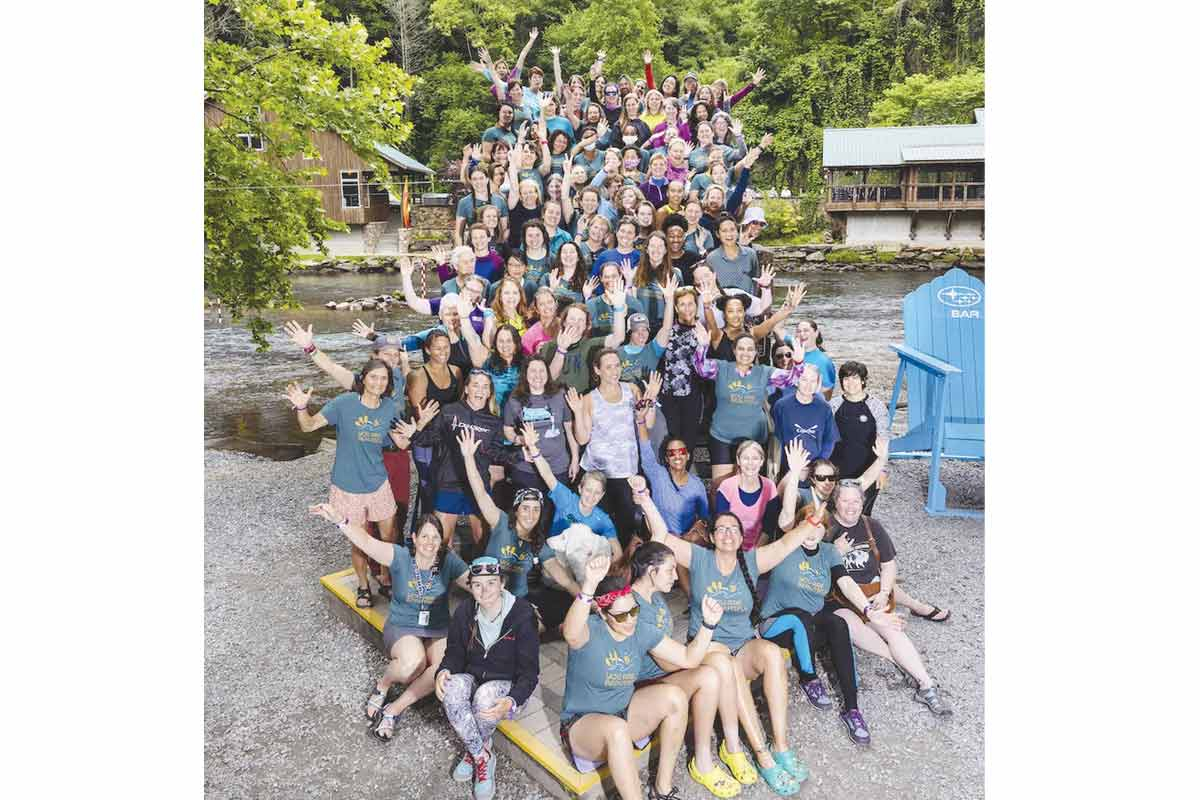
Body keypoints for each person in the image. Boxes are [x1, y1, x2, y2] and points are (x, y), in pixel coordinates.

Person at [646, 441, 831, 797]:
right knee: (727, 667)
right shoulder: (699, 559)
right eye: (722, 529)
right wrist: (643, 498)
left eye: (734, 529)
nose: (729, 533)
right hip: (710, 649)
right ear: (713, 537)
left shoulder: (751, 560)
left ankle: (780, 746)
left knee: (774, 656)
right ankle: (760, 756)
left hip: (742, 646)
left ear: (739, 537)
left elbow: (788, 543)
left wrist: (808, 507)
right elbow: (660, 535)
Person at [559, 550, 727, 800]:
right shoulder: (588, 632)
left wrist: (708, 624)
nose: (630, 620)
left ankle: (662, 789)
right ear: (603, 615)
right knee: (615, 730)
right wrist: (590, 584)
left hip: (624, 714)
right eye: (621, 615)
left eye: (634, 611)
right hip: (584, 727)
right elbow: (571, 632)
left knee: (675, 697)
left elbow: (688, 659)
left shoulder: (639, 629)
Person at [309, 505, 469, 740]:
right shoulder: (401, 556)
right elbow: (366, 542)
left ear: (442, 541)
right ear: (414, 538)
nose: (430, 542)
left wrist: (503, 596)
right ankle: (383, 684)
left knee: (445, 668)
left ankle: (394, 709)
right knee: (412, 664)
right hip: (404, 624)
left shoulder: (449, 561)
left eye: (435, 537)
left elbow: (478, 583)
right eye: (424, 535)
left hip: (437, 627)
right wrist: (340, 520)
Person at [756, 468, 891, 746]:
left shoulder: (829, 552)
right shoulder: (786, 547)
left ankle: (852, 709)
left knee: (837, 623)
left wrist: (867, 609)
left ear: (824, 530)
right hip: (776, 625)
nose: (811, 529)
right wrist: (794, 474)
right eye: (805, 523)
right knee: (801, 617)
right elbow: (785, 514)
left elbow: (845, 583)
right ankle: (809, 678)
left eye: (817, 525)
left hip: (808, 630)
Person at [283, 322, 413, 569]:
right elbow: (331, 367)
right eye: (387, 354)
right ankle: (371, 573)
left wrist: (414, 431)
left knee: (395, 516)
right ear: (373, 359)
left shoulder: (397, 376)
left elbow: (397, 350)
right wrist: (310, 347)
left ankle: (389, 569)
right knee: (363, 528)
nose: (392, 358)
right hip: (369, 454)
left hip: (392, 455)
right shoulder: (357, 387)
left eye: (396, 355)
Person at [627, 526, 742, 798]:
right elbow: (683, 660)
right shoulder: (635, 610)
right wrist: (709, 626)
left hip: (660, 673)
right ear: (651, 572)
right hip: (639, 689)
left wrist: (710, 650)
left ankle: (711, 756)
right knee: (707, 674)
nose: (676, 576)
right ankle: (675, 780)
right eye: (669, 571)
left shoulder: (653, 598)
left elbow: (672, 659)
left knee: (718, 665)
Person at [824, 480, 954, 715]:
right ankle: (899, 664)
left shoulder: (871, 526)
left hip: (872, 593)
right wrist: (833, 552)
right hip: (839, 599)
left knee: (893, 628)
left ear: (863, 502)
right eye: (845, 500)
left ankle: (926, 684)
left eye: (856, 500)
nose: (851, 506)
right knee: (849, 626)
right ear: (836, 502)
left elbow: (888, 564)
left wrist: (884, 593)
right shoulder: (826, 527)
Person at [285, 360, 400, 608]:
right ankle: (363, 585)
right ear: (363, 379)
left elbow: (399, 439)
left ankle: (386, 578)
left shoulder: (389, 407)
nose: (378, 383)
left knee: (389, 535)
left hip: (378, 481)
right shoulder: (344, 404)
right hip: (347, 486)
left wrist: (412, 433)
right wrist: (301, 407)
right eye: (374, 377)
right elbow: (309, 426)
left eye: (384, 379)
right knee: (358, 538)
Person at [435, 555, 540, 800]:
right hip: (475, 678)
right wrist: (443, 670)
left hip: (506, 688)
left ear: (502, 583)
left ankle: (473, 751)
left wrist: (512, 700)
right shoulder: (464, 612)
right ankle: (482, 755)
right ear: (470, 587)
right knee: (450, 688)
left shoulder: (523, 615)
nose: (485, 590)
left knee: (483, 697)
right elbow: (454, 653)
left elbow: (529, 673)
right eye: (478, 584)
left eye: (491, 583)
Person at [394, 370, 508, 554]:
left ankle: (481, 575)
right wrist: (415, 433)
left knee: (483, 537)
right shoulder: (449, 411)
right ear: (466, 388)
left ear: (490, 393)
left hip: (477, 486)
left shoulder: (494, 422)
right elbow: (429, 439)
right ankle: (441, 576)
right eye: (475, 385)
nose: (480, 390)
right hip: (449, 483)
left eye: (485, 386)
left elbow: (498, 454)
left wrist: (523, 454)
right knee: (442, 540)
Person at [692, 322, 805, 491]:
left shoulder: (764, 372)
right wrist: (702, 346)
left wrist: (799, 361)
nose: (745, 353)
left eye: (750, 349)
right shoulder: (721, 367)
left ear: (755, 352)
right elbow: (700, 368)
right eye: (741, 349)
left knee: (748, 485)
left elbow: (791, 380)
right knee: (719, 487)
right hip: (722, 436)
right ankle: (720, 517)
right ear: (734, 350)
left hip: (753, 438)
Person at [572, 349, 653, 549]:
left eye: (617, 365)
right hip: (598, 473)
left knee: (626, 527)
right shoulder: (590, 399)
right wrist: (577, 412)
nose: (614, 371)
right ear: (597, 370)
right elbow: (582, 438)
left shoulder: (632, 390)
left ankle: (623, 570)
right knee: (597, 528)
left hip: (626, 471)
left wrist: (650, 401)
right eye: (608, 367)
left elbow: (648, 424)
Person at [503, 356, 580, 496]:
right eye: (533, 371)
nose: (537, 375)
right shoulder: (514, 399)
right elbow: (507, 430)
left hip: (558, 468)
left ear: (548, 374)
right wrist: (521, 440)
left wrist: (575, 459)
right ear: (525, 374)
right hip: (527, 470)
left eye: (542, 371)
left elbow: (569, 429)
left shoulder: (560, 396)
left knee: (556, 514)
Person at [829, 361, 891, 515]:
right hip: (838, 469)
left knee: (862, 513)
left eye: (855, 378)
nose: (850, 383)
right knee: (836, 512)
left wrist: (881, 469)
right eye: (846, 379)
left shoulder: (876, 406)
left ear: (863, 381)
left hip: (867, 470)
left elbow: (883, 439)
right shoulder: (834, 405)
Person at [771, 364, 839, 501]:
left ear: (818, 383)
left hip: (813, 471)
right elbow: (776, 439)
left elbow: (829, 441)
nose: (808, 385)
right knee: (785, 502)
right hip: (787, 467)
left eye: (813, 381)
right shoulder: (782, 406)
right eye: (804, 379)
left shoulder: (824, 408)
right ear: (796, 380)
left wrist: (814, 467)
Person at [540, 298, 628, 395]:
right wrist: (561, 350)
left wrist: (618, 308)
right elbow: (548, 379)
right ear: (564, 322)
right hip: (557, 403)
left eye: (581, 320)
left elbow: (618, 338)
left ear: (587, 325)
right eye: (572, 319)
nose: (576, 323)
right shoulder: (549, 347)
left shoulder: (591, 345)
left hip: (585, 402)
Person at [713, 441, 777, 552]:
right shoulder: (726, 487)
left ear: (762, 461)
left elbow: (768, 528)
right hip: (730, 545)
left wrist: (753, 553)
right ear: (738, 461)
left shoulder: (770, 486)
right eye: (745, 458)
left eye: (755, 458)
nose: (750, 463)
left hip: (760, 548)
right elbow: (722, 526)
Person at [705, 213, 759, 294]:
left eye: (732, 230)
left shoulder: (750, 254)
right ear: (717, 234)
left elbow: (756, 280)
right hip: (723, 303)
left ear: (737, 231)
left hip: (748, 302)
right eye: (724, 231)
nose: (729, 234)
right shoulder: (711, 258)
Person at [792, 319, 836, 400]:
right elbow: (779, 331)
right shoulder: (789, 354)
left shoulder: (824, 361)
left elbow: (827, 391)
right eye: (798, 331)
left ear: (816, 333)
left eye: (806, 330)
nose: (802, 334)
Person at [521, 286, 562, 356]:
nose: (547, 306)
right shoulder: (530, 335)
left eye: (550, 302)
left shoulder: (565, 325)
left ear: (556, 304)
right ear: (536, 309)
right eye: (541, 304)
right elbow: (525, 360)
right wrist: (536, 354)